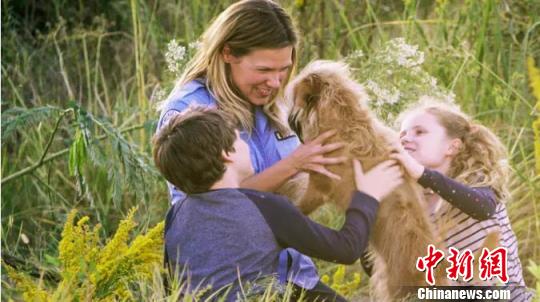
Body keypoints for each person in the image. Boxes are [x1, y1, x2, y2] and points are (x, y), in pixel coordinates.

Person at [156, 0, 346, 292]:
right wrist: (294, 163)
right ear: (228, 52)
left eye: (283, 69)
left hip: (292, 272)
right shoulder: (190, 113)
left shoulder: (273, 100)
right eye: (264, 69)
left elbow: (294, 194)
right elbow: (212, 209)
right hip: (235, 284)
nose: (274, 82)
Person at [152, 107, 405, 301]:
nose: (244, 144)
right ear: (226, 154)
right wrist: (367, 196)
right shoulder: (263, 206)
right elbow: (346, 249)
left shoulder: (176, 215)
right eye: (238, 138)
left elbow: (172, 285)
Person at [392, 98, 533, 301]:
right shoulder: (413, 203)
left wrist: (421, 173)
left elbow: (482, 208)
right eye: (402, 134)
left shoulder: (477, 181)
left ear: (452, 147)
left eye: (419, 132)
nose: (405, 139)